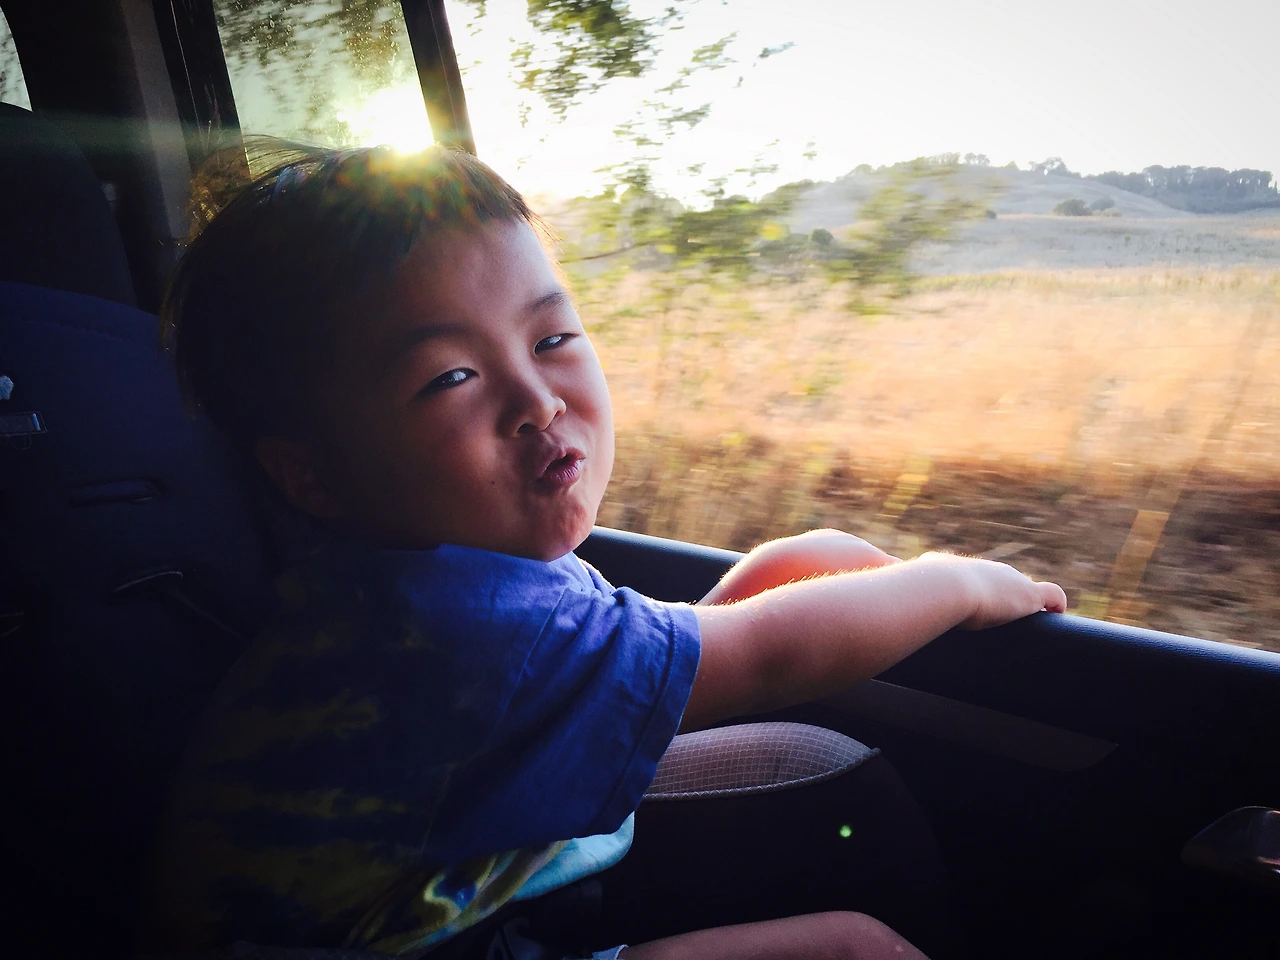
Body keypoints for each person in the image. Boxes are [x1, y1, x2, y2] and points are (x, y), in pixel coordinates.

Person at [137, 144, 1065, 960]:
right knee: (854, 951)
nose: (537, 399)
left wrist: (791, 563)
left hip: (448, 913)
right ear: (315, 474)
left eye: (551, 338)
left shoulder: (404, 577)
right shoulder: (444, 626)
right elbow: (765, 656)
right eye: (450, 377)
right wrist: (955, 582)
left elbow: (643, 675)